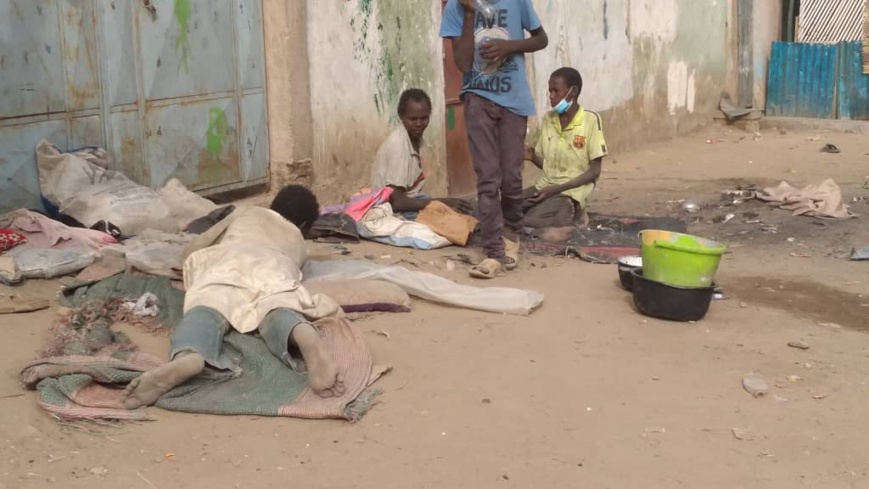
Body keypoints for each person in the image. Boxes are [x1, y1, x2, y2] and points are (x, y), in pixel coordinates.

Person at [123, 185, 345, 409]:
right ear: (304, 226)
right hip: (273, 264)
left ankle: (190, 353)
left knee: (206, 309)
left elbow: (197, 245)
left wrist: (185, 260)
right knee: (275, 305)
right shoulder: (298, 241)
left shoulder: (245, 213)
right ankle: (302, 334)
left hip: (227, 263)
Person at [440, 0, 548, 278]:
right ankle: (494, 251)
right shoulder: (455, 8)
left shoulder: (517, 2)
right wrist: (468, 14)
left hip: (514, 101)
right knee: (488, 179)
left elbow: (541, 39)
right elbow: (464, 64)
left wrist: (508, 46)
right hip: (478, 99)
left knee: (511, 178)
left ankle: (511, 232)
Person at [524, 68, 607, 229]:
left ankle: (573, 213)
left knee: (530, 217)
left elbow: (595, 171)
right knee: (507, 206)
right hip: (545, 187)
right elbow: (550, 167)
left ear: (573, 91)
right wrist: (532, 156)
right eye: (550, 91)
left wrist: (557, 189)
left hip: (570, 191)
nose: (551, 96)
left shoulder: (590, 120)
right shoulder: (549, 119)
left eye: (556, 91)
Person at [370, 88, 473, 216]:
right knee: (452, 222)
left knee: (459, 215)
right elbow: (396, 202)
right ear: (401, 117)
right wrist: (445, 202)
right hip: (390, 210)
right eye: (413, 119)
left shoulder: (414, 139)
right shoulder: (398, 147)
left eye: (424, 118)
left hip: (408, 201)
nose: (419, 124)